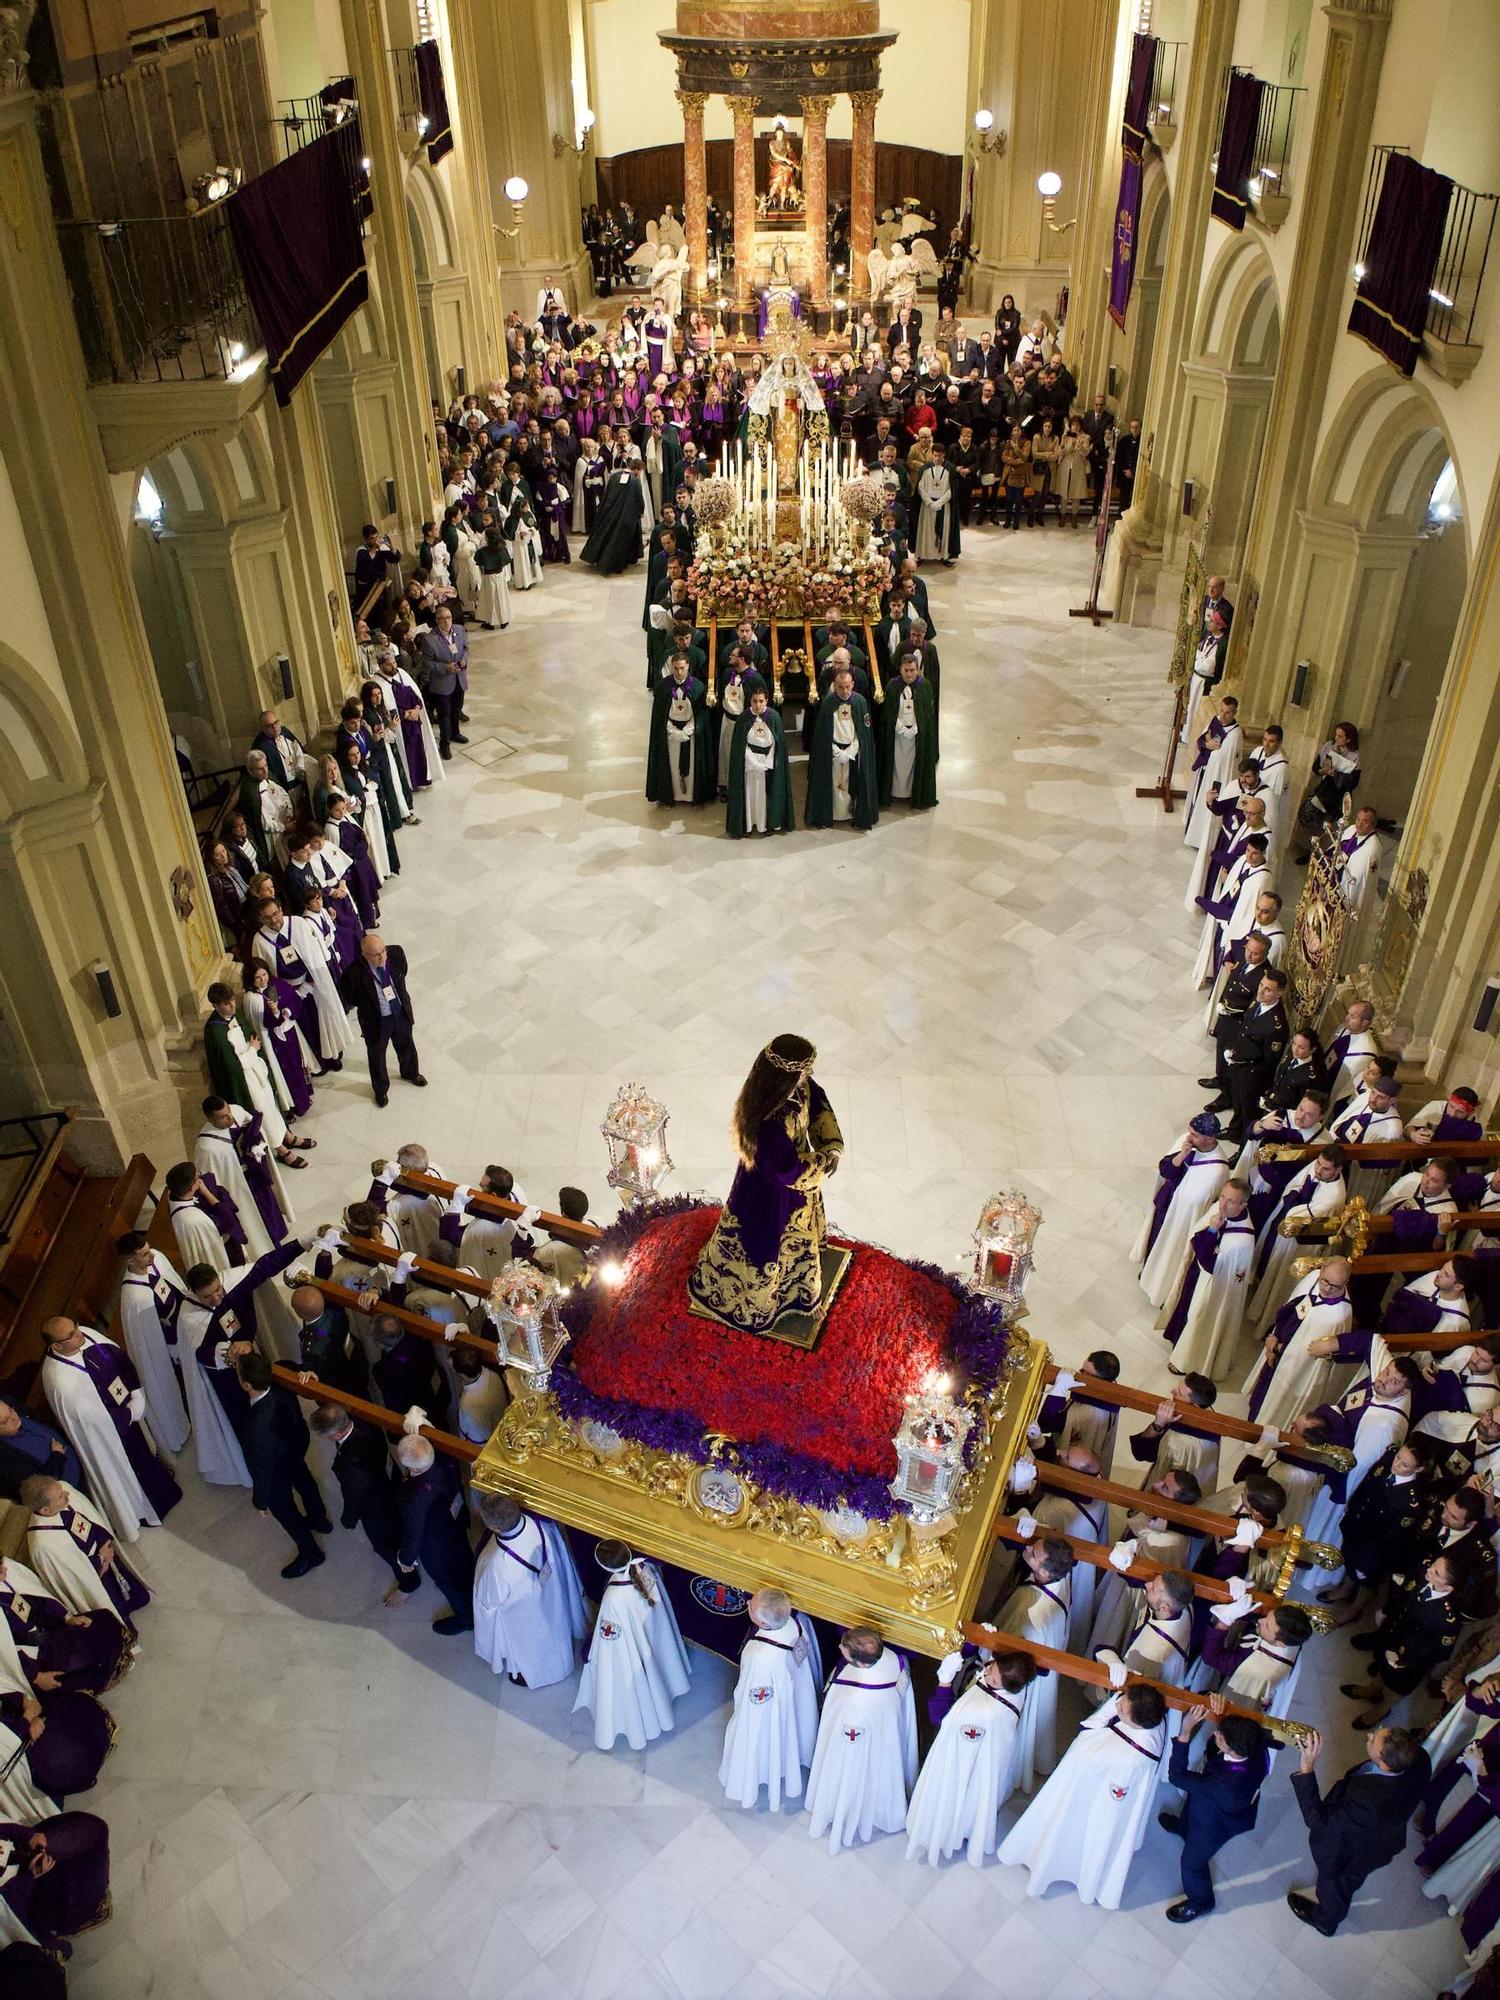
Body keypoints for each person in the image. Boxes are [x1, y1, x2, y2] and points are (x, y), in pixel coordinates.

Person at [688, 1035, 843, 1334]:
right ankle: (762, 1301)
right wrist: (822, 1162)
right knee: (765, 1245)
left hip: (794, 1185)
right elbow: (786, 1172)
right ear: (785, 1078)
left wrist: (832, 1145)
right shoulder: (770, 1122)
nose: (808, 1076)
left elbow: (819, 1102)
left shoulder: (798, 1088)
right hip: (770, 1195)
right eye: (804, 1072)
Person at [998, 1683, 1168, 1908]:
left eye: (1122, 1709)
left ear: (1136, 1722)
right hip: (1104, 1801)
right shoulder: (1156, 1728)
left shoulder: (1121, 1755)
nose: (1117, 1704)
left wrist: (1107, 1712)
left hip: (1083, 1797)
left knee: (1065, 1829)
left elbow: (1083, 1743)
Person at [38, 1318, 180, 1542]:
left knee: (145, 1456)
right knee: (129, 1468)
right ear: (57, 1346)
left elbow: (119, 1358)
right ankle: (146, 1511)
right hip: (111, 1434)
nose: (79, 1334)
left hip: (126, 1410)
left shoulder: (84, 1335)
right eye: (71, 1335)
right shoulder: (60, 1381)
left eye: (76, 1327)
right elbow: (92, 1420)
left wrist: (135, 1392)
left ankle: (166, 1491)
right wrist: (130, 1414)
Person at [1287, 1724, 1429, 1935]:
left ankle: (1326, 1920)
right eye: (1378, 1731)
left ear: (1385, 1764)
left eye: (1373, 1740)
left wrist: (1307, 1767)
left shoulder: (1368, 1804)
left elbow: (1317, 1820)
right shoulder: (1420, 1759)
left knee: (1334, 1884)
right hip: (1384, 1835)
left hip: (1352, 1851)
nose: (1369, 1735)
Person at [906, 1652, 1037, 1866]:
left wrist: (944, 1682)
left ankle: (947, 1831)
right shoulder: (1016, 1686)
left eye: (993, 1679)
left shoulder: (983, 1713)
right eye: (991, 1666)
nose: (986, 1673)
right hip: (980, 1757)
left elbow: (939, 1717)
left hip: (960, 1757)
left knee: (954, 1795)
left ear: (1007, 1686)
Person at [804, 1626, 918, 1854]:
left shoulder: (855, 1697)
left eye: (845, 1650)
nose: (839, 1649)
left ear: (862, 1664)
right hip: (885, 1740)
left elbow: (838, 1734)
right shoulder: (895, 1660)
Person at [1158, 1696, 1270, 1922]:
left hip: (1214, 1824)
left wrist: (1186, 1731)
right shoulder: (1254, 1745)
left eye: (1220, 1737)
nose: (1215, 1734)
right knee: (1191, 1810)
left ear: (1235, 1751)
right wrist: (1222, 1708)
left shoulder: (1226, 1784)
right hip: (1211, 1803)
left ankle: (1201, 1902)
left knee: (1191, 1864)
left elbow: (1177, 1776)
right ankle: (1183, 1828)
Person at [574, 1540, 691, 1749]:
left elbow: (611, 1641)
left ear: (606, 1567)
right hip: (652, 1641)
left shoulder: (614, 1597)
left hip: (629, 1653)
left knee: (633, 1691)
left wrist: (594, 1655)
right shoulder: (643, 1569)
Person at [719, 1587, 822, 1811]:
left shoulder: (758, 1653)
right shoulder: (795, 1624)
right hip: (790, 1693)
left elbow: (749, 1692)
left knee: (763, 1743)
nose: (747, 1604)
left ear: (764, 1624)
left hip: (763, 1708)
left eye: (752, 1606)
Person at [471, 1492, 585, 1689]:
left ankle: (534, 1674)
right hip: (551, 1590)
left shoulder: (495, 1560)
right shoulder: (537, 1522)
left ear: (495, 1527)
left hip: (522, 1614)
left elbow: (488, 1602)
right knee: (555, 1626)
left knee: (530, 1646)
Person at [235, 1352, 330, 1579]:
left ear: (246, 1384)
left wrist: (260, 1500)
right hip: (295, 1447)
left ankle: (310, 1553)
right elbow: (288, 1365)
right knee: (305, 1481)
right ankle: (319, 1519)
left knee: (286, 1511)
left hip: (277, 1467)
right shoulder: (279, 1381)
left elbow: (261, 1467)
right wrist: (303, 1370)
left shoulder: (255, 1427)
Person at [20, 1478, 149, 1632]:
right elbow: (73, 1575)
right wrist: (101, 1559)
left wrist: (105, 1544)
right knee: (110, 1604)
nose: (67, 1493)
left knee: (132, 1594)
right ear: (45, 1510)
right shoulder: (43, 1544)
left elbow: (90, 1518)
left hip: (104, 1552)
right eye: (61, 1496)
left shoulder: (61, 1496)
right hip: (95, 1573)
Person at [308, 1404, 409, 1598]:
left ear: (336, 1436)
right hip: (387, 1483)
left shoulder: (350, 1466)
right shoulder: (367, 1424)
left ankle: (408, 1583)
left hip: (376, 1506)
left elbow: (354, 1496)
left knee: (386, 1545)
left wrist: (349, 1520)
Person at [1135, 1114, 1233, 1309]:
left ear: (1210, 1138)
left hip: (1183, 1219)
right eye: (1189, 1132)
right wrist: (1181, 1156)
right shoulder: (1186, 1143)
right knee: (1155, 1241)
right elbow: (1165, 1170)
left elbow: (1202, 1201)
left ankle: (1162, 1287)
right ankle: (1148, 1271)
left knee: (1172, 1251)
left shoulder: (1218, 1169)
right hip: (1167, 1204)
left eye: (1195, 1135)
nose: (1189, 1137)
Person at [0, 1809, 112, 1960]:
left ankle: (77, 1915)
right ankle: (73, 1920)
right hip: (24, 1902)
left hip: (22, 1861)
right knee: (96, 1834)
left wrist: (28, 1836)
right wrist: (29, 1876)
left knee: (93, 1830)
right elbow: (5, 1906)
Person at [393, 1434, 475, 1635]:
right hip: (456, 1524)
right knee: (466, 1565)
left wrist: (406, 1559)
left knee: (448, 1582)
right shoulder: (445, 1458)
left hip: (436, 1545)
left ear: (414, 1468)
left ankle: (466, 1618)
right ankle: (476, 1597)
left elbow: (414, 1531)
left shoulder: (414, 1498)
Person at [347, 934, 426, 1108]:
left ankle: (411, 1072)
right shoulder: (354, 973)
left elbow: (402, 974)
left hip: (399, 1013)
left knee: (406, 1045)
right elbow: (349, 996)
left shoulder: (396, 954)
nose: (382, 957)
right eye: (376, 954)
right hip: (376, 1021)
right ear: (365, 955)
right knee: (377, 1057)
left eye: (383, 951)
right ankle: (381, 1090)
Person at [805, 666, 879, 829]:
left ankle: (853, 814)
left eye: (847, 686)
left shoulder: (859, 702)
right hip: (833, 752)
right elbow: (823, 734)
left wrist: (852, 750)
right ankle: (829, 815)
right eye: (840, 687)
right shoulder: (828, 703)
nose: (844, 691)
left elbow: (864, 733)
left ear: (852, 684)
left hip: (853, 751)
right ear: (834, 685)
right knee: (832, 784)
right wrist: (836, 751)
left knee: (851, 784)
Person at [645, 653, 712, 808]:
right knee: (671, 765)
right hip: (670, 735)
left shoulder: (698, 687)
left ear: (688, 666)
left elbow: (701, 716)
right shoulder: (663, 687)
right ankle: (671, 795)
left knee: (693, 764)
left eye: (682, 668)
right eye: (676, 668)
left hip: (691, 735)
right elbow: (659, 716)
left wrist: (687, 731)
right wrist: (673, 731)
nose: (679, 672)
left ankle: (692, 797)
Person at [879, 655, 938, 811]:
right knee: (896, 765)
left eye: (912, 670)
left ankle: (914, 793)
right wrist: (900, 728)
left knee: (914, 766)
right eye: (906, 670)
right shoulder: (893, 685)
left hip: (916, 737)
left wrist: (916, 728)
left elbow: (926, 713)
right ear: (900, 669)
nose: (909, 674)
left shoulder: (924, 686)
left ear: (918, 669)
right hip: (897, 737)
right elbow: (889, 711)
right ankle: (894, 792)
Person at [0, 1401, 81, 1502]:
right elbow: (38, 1490)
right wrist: (57, 1456)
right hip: (69, 1494)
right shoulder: (6, 1460)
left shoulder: (22, 1415)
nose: (14, 1417)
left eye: (11, 1410)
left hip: (80, 1458)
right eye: (5, 1420)